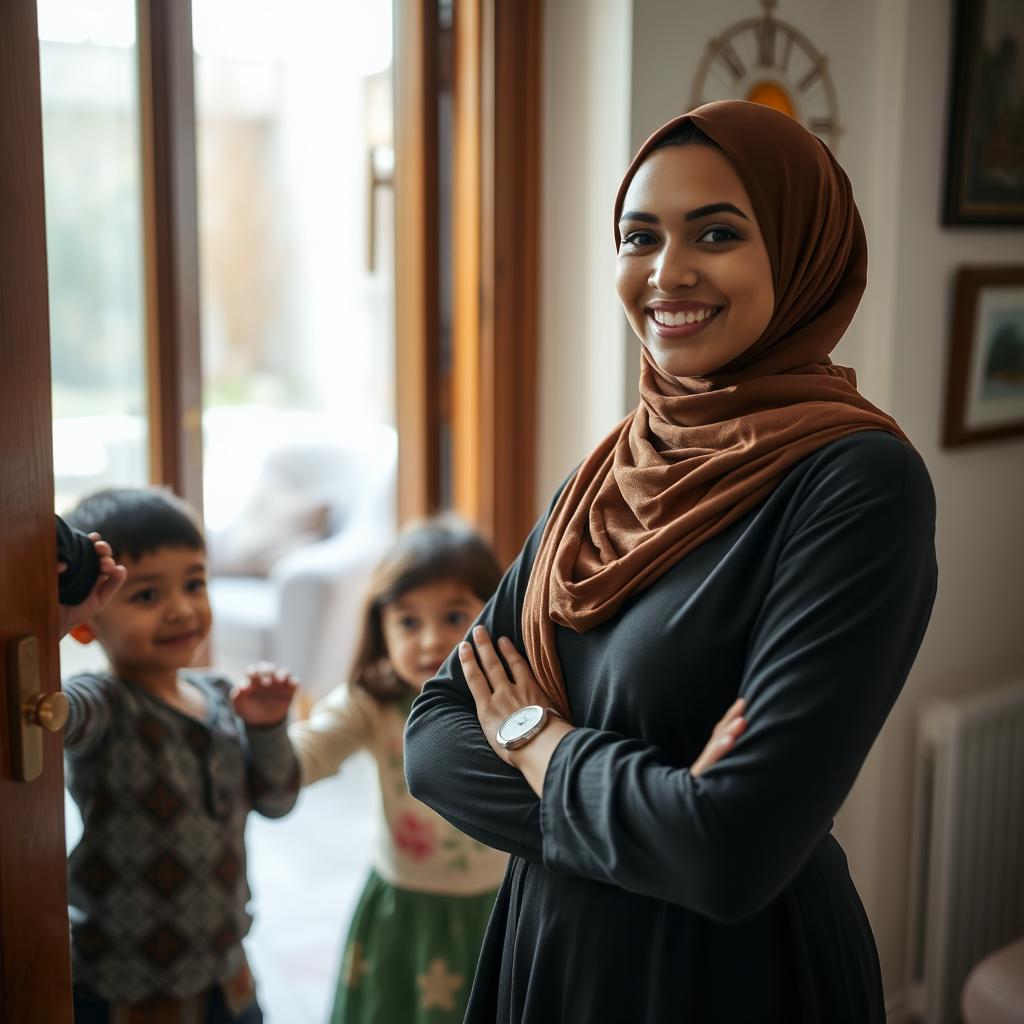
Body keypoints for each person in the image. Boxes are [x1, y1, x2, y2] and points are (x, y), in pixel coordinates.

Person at [404, 100, 938, 1022]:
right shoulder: (612, 468)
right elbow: (433, 737)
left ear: (803, 252)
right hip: (550, 952)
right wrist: (667, 814)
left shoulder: (860, 484)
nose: (667, 272)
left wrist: (537, 740)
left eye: (719, 233)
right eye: (638, 236)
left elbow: (731, 855)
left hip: (727, 976)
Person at [291, 518, 557, 1024]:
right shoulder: (371, 702)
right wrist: (260, 733)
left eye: (454, 615)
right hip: (402, 908)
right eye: (408, 622)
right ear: (381, 628)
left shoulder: (510, 703)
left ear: (494, 613)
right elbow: (304, 758)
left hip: (496, 907)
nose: (430, 639)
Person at [61, 487, 300, 1024]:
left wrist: (267, 728)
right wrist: (47, 620)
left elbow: (279, 799)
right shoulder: (104, 701)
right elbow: (48, 717)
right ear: (85, 622)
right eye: (146, 596)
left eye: (195, 584)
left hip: (227, 973)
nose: (182, 609)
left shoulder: (219, 694)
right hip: (125, 987)